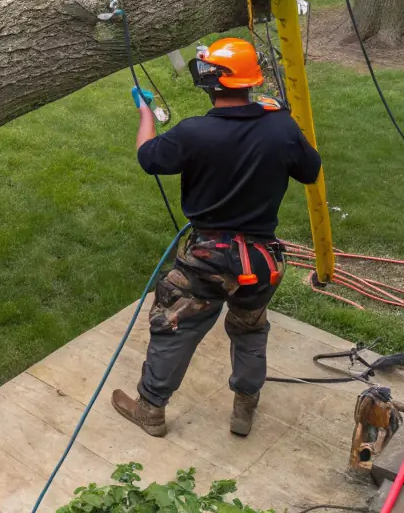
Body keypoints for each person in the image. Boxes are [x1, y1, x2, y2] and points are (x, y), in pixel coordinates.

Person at [111, 39, 323, 438]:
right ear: (249, 83)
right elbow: (310, 171)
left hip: (208, 261)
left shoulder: (194, 133)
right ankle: (244, 407)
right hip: (260, 261)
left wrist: (145, 113)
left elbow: (147, 156)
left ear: (213, 83)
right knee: (249, 328)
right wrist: (284, 127)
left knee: (174, 327)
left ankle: (151, 410)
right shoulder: (280, 126)